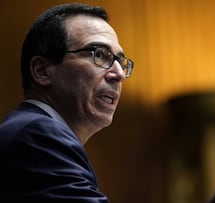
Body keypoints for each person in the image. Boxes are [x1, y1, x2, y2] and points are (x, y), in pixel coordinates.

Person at [0, 2, 133, 202]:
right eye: (99, 55)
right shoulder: (37, 135)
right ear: (42, 71)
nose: (119, 74)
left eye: (120, 62)